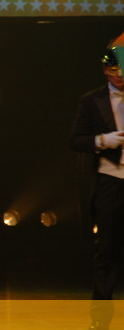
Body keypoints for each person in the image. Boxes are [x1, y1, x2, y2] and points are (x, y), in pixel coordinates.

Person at [70, 32, 124, 330]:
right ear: (105, 69)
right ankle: (101, 319)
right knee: (107, 251)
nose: (119, 76)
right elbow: (75, 140)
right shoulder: (91, 100)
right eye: (114, 70)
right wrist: (104, 140)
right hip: (110, 181)